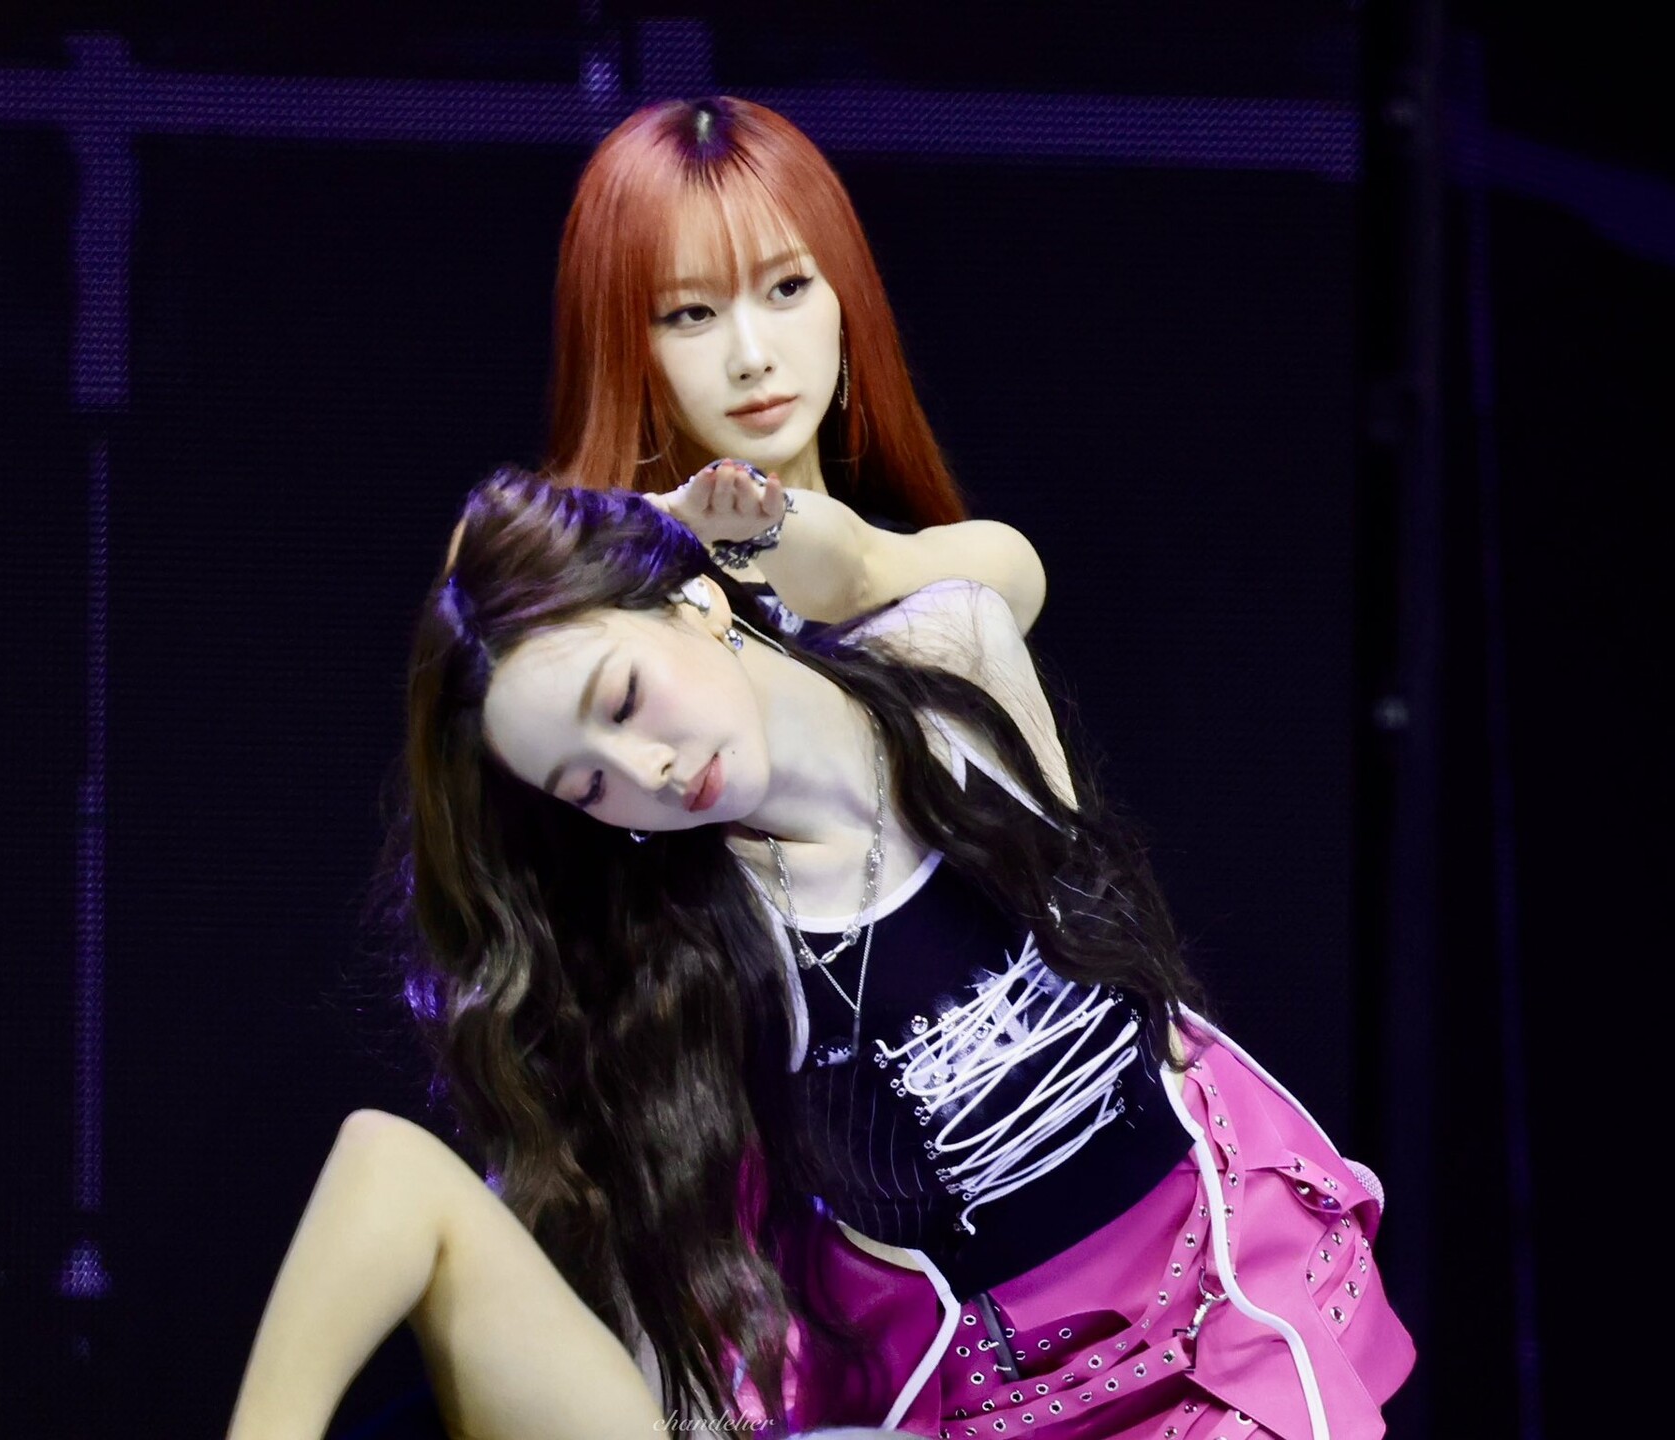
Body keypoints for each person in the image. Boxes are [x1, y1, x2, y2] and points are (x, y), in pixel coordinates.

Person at [228, 461, 1414, 1438]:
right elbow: (676, 1297)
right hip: (1006, 1403)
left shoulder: (952, 665)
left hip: (1229, 1302)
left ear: (694, 604)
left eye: (625, 699)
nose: (645, 772)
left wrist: (748, 525)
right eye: (587, 784)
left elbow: (975, 571)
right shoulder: (692, 948)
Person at [542, 95, 1030, 641]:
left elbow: (995, 575)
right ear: (623, 350)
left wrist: (773, 530)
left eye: (788, 287)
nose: (752, 358)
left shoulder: (957, 571)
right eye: (693, 313)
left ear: (846, 301)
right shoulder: (560, 594)